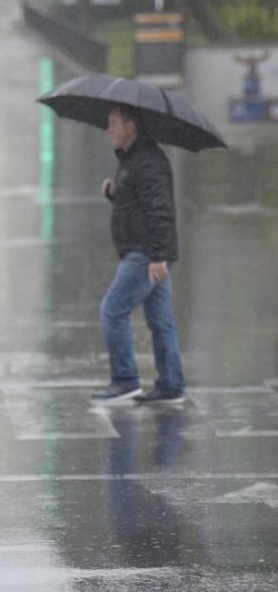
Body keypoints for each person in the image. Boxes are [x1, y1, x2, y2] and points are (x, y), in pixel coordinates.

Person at [94, 104, 185, 405]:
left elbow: (160, 211)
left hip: (145, 252)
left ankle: (125, 380)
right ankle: (171, 385)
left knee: (112, 310)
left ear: (130, 127)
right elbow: (138, 205)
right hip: (148, 250)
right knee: (160, 319)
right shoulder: (135, 159)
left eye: (113, 123)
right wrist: (114, 192)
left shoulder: (146, 161)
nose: (108, 130)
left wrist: (158, 255)